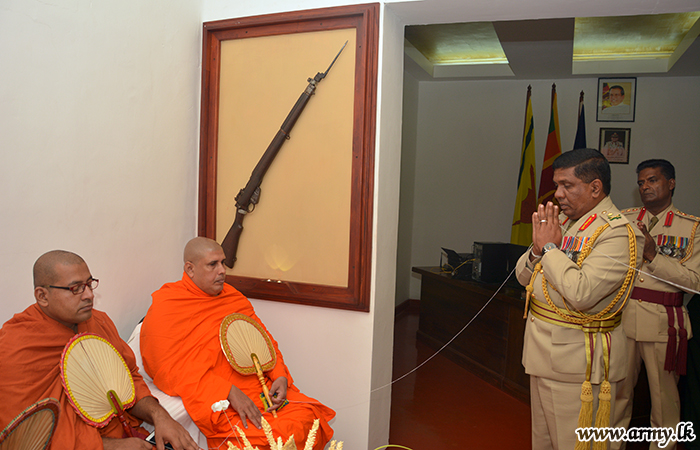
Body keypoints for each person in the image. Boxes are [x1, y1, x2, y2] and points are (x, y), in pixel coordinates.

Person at [140, 237, 335, 450]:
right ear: (190, 269)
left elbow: (262, 340)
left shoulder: (233, 298)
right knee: (270, 440)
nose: (222, 270)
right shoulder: (168, 305)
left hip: (258, 389)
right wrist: (227, 391)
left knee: (308, 419)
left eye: (223, 263)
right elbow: (166, 369)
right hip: (218, 397)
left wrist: (279, 375)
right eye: (213, 264)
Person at [0, 250, 198, 450]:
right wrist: (112, 447)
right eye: (76, 288)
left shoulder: (98, 322)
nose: (89, 295)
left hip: (123, 433)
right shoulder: (16, 347)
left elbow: (128, 379)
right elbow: (23, 439)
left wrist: (161, 416)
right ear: (42, 296)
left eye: (89, 284)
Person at [516, 148, 643, 449]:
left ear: (595, 187)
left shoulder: (617, 232)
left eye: (567, 185)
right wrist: (537, 251)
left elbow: (581, 294)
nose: (558, 194)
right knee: (544, 443)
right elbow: (522, 277)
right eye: (557, 185)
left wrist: (549, 249)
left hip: (578, 364)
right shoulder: (565, 222)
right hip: (543, 354)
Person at [613, 159, 699, 450]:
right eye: (641, 182)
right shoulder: (623, 220)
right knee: (617, 396)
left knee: (664, 403)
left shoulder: (691, 228)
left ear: (670, 183)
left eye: (652, 180)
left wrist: (653, 256)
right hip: (624, 319)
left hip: (664, 323)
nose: (645, 187)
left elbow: (694, 282)